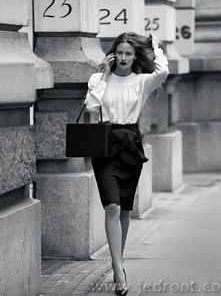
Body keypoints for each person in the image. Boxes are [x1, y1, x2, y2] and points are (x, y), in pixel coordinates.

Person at [85, 32, 169, 295]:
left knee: (123, 209)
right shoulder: (99, 79)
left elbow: (163, 71)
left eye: (128, 54)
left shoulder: (142, 81)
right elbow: (90, 107)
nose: (123, 58)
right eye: (119, 53)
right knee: (111, 206)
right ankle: (120, 271)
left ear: (135, 57)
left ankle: (116, 261)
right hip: (105, 144)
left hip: (130, 144)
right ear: (113, 55)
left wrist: (155, 45)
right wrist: (103, 76)